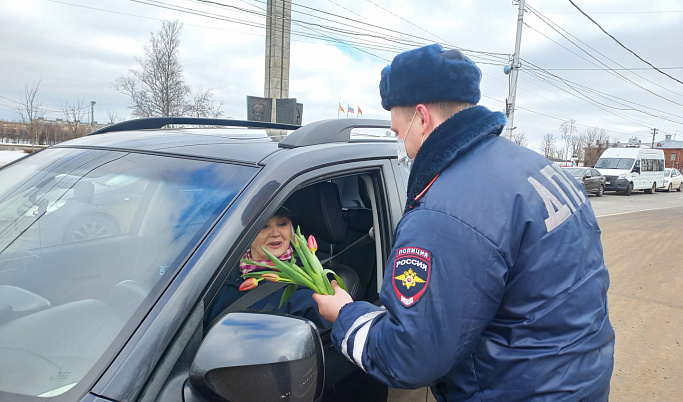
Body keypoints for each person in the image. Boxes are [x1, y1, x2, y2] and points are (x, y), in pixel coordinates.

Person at [313, 43, 615, 401]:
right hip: (579, 380)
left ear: (421, 118)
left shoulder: (443, 213)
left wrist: (345, 314)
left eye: (397, 132)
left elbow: (410, 356)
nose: (402, 146)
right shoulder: (539, 168)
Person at [205, 204, 329, 330]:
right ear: (246, 233)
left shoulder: (310, 293)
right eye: (264, 226)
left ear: (291, 230)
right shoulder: (218, 273)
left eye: (282, 224)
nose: (275, 233)